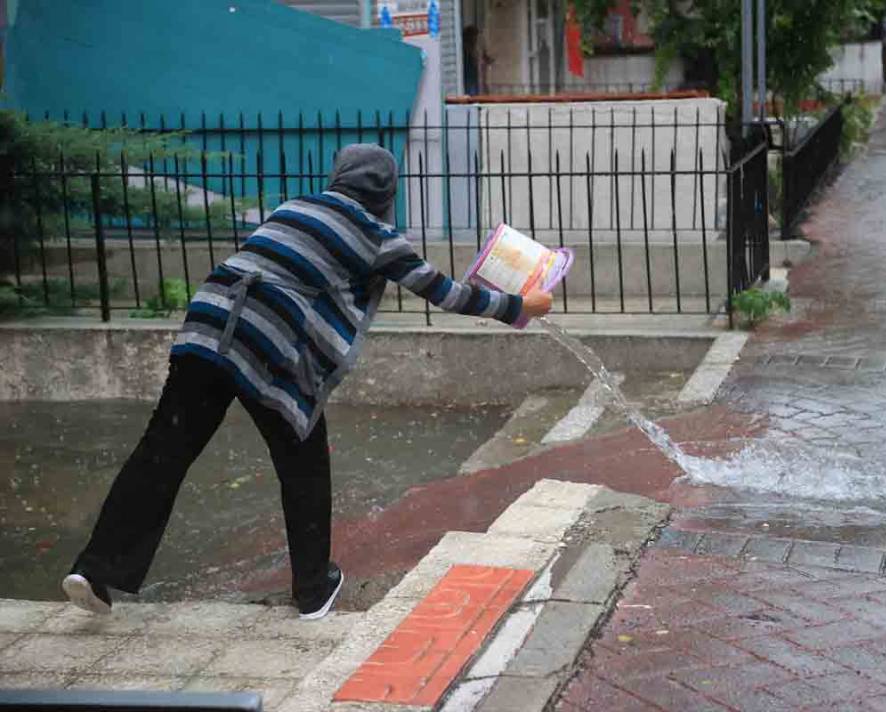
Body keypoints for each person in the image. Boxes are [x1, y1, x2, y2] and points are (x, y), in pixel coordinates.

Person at [62, 144, 553, 620]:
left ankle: (94, 569)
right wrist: (519, 307)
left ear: (338, 178)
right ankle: (314, 589)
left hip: (208, 325)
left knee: (161, 452)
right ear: (387, 191)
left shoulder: (294, 207)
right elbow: (445, 293)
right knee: (304, 464)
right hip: (270, 347)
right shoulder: (377, 236)